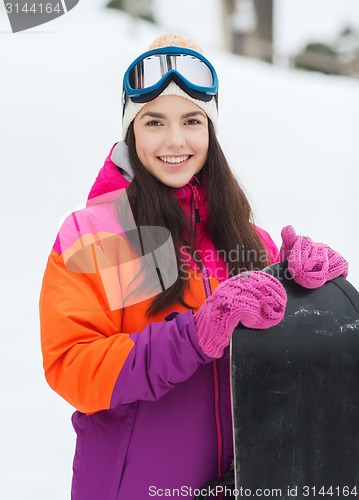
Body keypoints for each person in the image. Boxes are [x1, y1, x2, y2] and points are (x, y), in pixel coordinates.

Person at [39, 33, 348, 499]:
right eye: (154, 122)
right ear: (131, 131)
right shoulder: (99, 236)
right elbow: (74, 365)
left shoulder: (245, 240)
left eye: (192, 120)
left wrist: (308, 291)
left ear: (211, 131)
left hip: (242, 484)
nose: (175, 140)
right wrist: (194, 335)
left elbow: (280, 365)